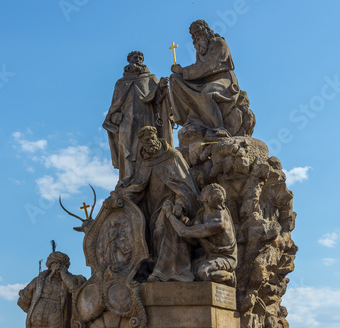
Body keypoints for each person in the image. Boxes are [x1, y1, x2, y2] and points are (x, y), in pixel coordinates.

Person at [123, 126, 199, 282]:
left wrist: (179, 205)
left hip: (171, 204)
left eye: (151, 139)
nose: (149, 143)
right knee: (144, 232)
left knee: (161, 228)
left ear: (156, 138)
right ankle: (146, 269)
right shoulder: (144, 162)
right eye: (145, 142)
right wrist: (124, 198)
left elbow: (184, 187)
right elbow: (138, 185)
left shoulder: (172, 156)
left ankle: (164, 272)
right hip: (150, 208)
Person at [103, 51, 173, 187]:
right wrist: (112, 117)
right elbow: (115, 105)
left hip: (146, 117)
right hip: (126, 120)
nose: (139, 59)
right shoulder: (121, 83)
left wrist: (162, 88)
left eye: (141, 58)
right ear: (129, 60)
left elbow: (158, 99)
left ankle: (146, 176)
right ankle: (127, 177)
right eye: (135, 57)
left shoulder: (150, 78)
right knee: (125, 146)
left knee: (145, 145)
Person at [169, 20, 241, 137]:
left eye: (198, 33)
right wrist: (180, 74)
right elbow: (199, 70)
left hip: (224, 80)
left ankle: (219, 127)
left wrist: (183, 70)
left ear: (206, 31)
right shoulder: (200, 51)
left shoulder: (219, 43)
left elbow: (209, 65)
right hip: (204, 80)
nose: (196, 37)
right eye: (194, 35)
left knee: (207, 93)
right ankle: (190, 118)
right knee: (175, 79)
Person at [163, 183, 237, 286]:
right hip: (208, 255)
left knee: (203, 273)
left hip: (224, 258)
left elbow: (183, 232)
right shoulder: (203, 212)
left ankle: (230, 276)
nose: (202, 190)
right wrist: (180, 216)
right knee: (184, 272)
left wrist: (169, 214)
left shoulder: (218, 223)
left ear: (207, 199)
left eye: (205, 190)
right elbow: (191, 226)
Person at [17, 252, 86, 328]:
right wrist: (33, 311)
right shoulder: (38, 281)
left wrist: (63, 274)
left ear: (65, 266)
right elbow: (22, 300)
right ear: (50, 265)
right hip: (35, 325)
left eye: (61, 264)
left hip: (56, 325)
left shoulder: (68, 280)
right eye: (55, 263)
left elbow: (73, 288)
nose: (58, 266)